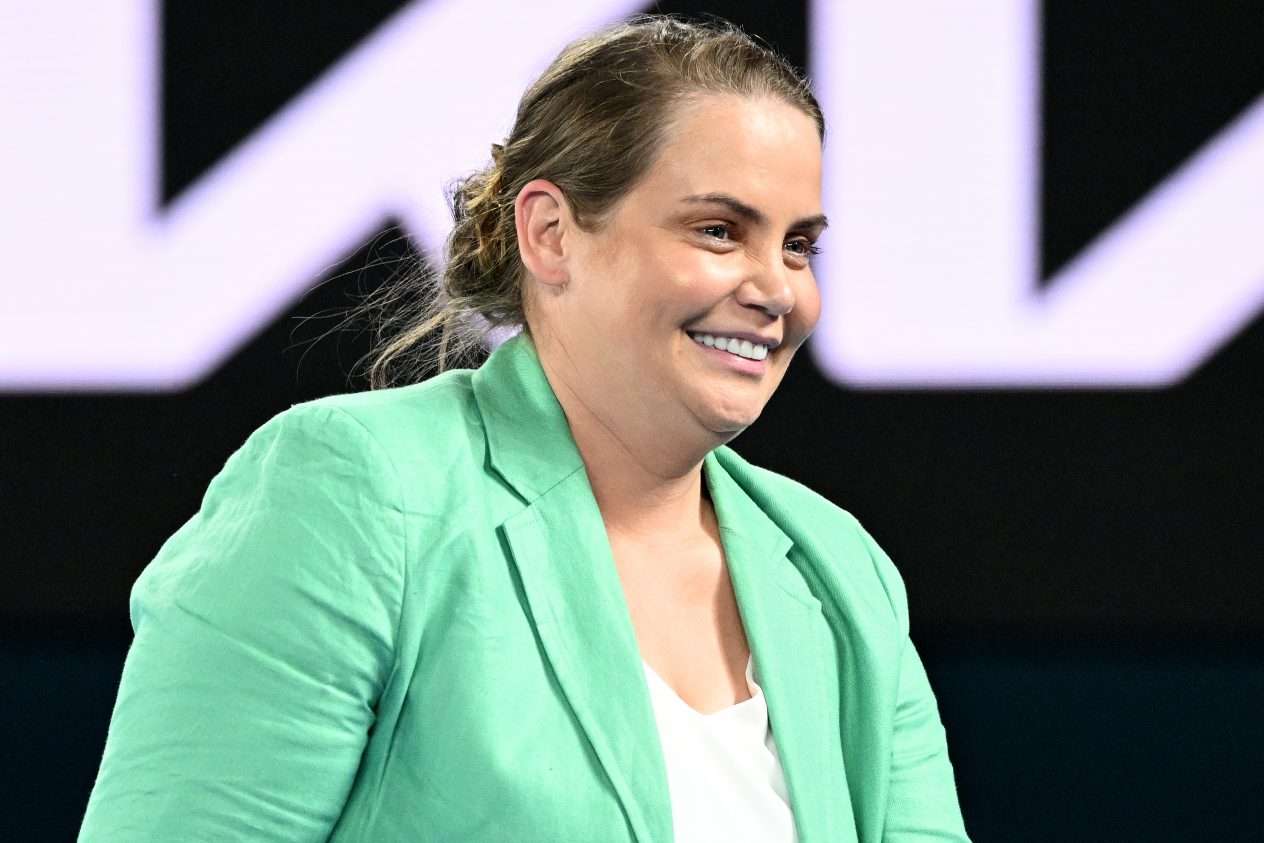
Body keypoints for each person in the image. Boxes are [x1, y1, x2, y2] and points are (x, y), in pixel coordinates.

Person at [78, 13, 970, 842]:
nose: (777, 289)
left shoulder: (837, 567)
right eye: (717, 230)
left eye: (798, 245)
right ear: (549, 233)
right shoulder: (354, 491)